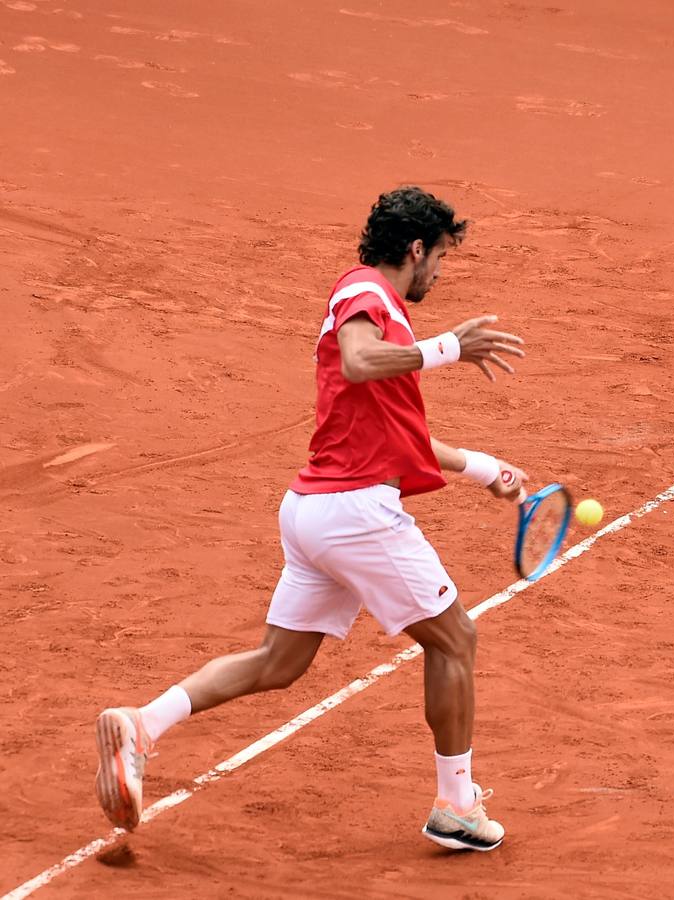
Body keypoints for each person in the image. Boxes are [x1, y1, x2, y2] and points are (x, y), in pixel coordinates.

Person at [95, 186, 528, 851]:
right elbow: (357, 362)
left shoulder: (377, 309)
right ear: (415, 250)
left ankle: (141, 725)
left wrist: (481, 467)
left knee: (278, 662)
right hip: (355, 514)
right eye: (440, 258)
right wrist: (448, 348)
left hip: (314, 513)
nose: (439, 274)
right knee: (455, 640)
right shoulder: (366, 295)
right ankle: (457, 805)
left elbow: (399, 433)